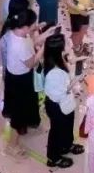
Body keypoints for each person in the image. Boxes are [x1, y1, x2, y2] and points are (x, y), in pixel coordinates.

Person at [3, 9, 57, 155]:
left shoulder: (16, 33)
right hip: (19, 80)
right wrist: (44, 47)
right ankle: (12, 145)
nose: (35, 25)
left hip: (19, 75)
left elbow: (31, 42)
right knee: (18, 112)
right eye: (33, 23)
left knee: (29, 101)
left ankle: (31, 122)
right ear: (25, 26)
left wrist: (46, 34)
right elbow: (31, 63)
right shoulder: (19, 45)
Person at [43, 46, 84, 169]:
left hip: (66, 102)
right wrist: (75, 81)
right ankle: (53, 157)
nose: (65, 51)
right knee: (57, 130)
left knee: (68, 124)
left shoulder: (60, 64)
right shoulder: (53, 73)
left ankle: (66, 145)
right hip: (57, 105)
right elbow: (60, 94)